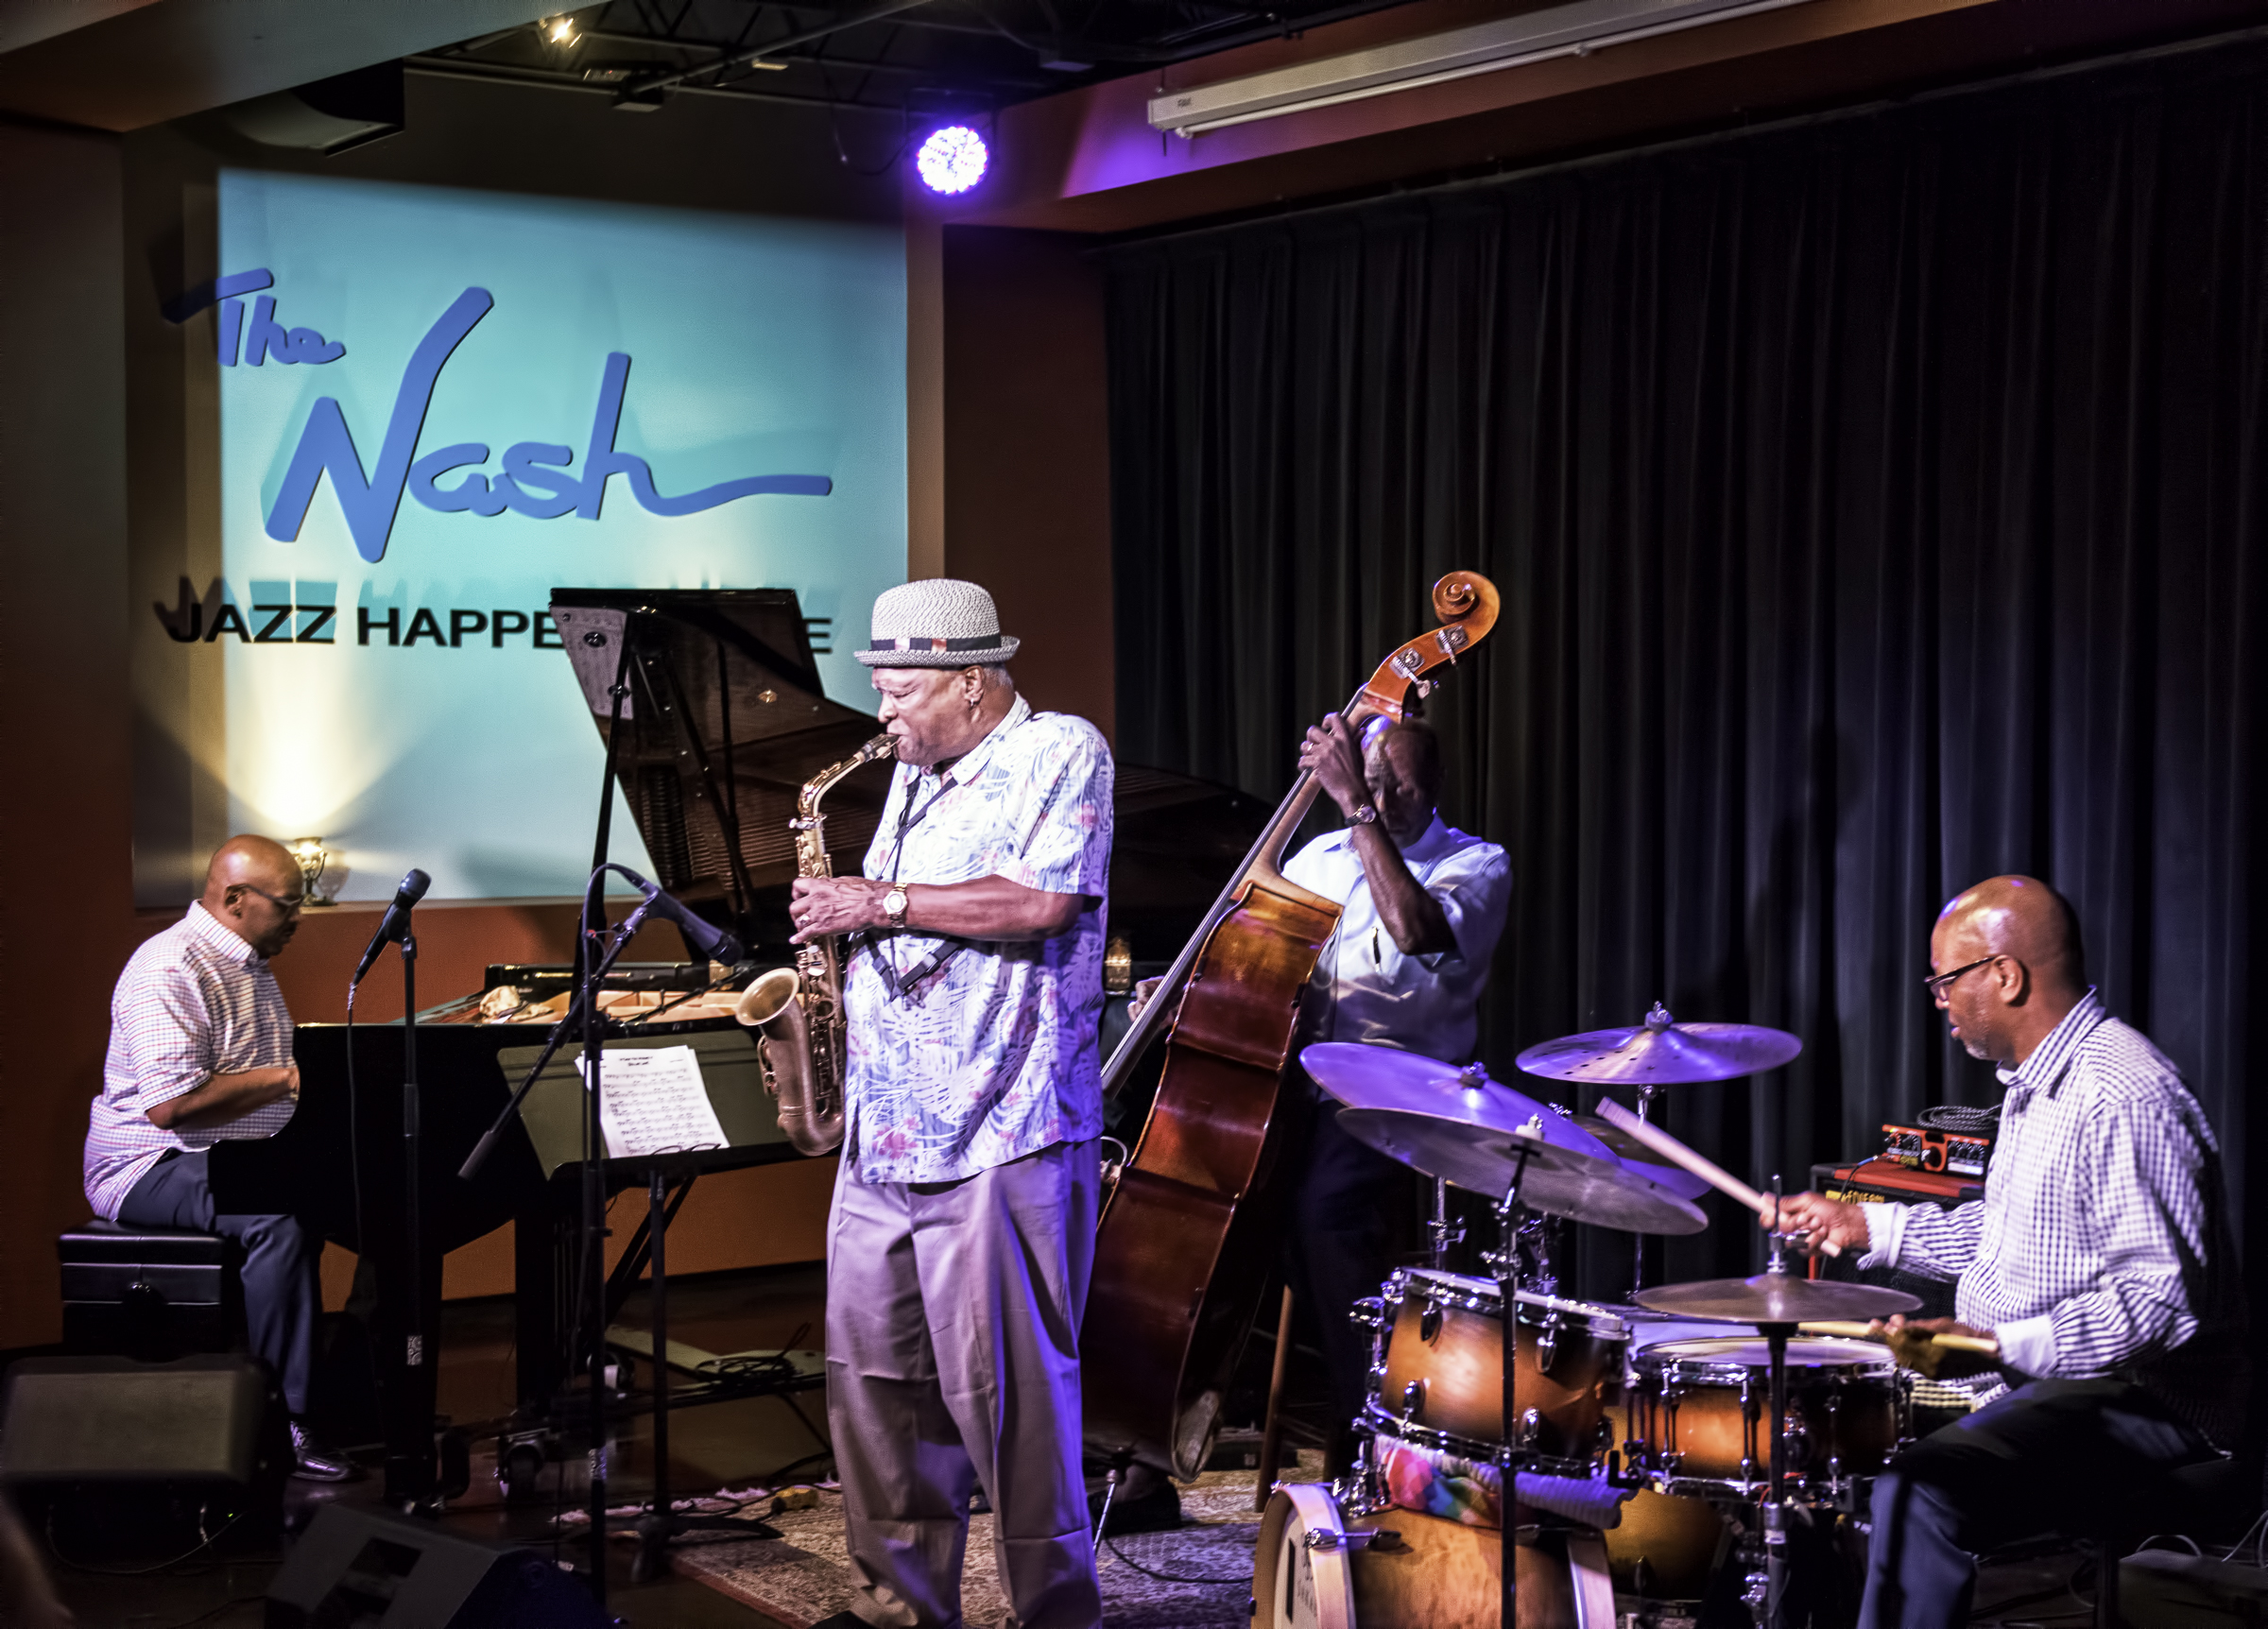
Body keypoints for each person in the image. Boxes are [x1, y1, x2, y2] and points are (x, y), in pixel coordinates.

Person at [1776, 875, 2247, 1629]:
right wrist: (1868, 1227)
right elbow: (2006, 1233)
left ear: (2005, 974)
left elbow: (2161, 1302)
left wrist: (2000, 1346)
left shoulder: (2123, 1096)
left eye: (1944, 981)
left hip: (2155, 1397)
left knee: (1916, 1492)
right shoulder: (2036, 1087)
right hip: (2046, 1376)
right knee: (1810, 1443)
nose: (1938, 1000)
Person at [788, 579, 1113, 1629]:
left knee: (1012, 1403)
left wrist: (875, 902)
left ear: (972, 681)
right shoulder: (912, 774)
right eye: (878, 689)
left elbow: (1041, 900)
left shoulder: (1060, 750)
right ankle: (901, 1606)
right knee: (874, 1392)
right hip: (886, 1139)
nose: (883, 713)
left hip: (1002, 1130)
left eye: (901, 690)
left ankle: (1057, 1613)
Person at [82, 834, 350, 1481]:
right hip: (147, 1165)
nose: (298, 919)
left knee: (369, 1189)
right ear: (235, 899)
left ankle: (356, 1394)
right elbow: (171, 1107)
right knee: (276, 1217)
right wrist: (289, 1078)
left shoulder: (248, 963)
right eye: (288, 905)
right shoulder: (170, 967)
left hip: (225, 1154)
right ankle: (282, 1419)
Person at [1282, 712, 1511, 1449]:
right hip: (1302, 1086)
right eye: (1369, 783)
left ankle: (1366, 1443)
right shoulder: (1313, 860)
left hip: (1402, 1096)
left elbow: (1415, 933)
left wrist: (1356, 807)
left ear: (1438, 784)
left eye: (1398, 787)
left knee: (1326, 1216)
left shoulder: (1476, 864)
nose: (1381, 800)